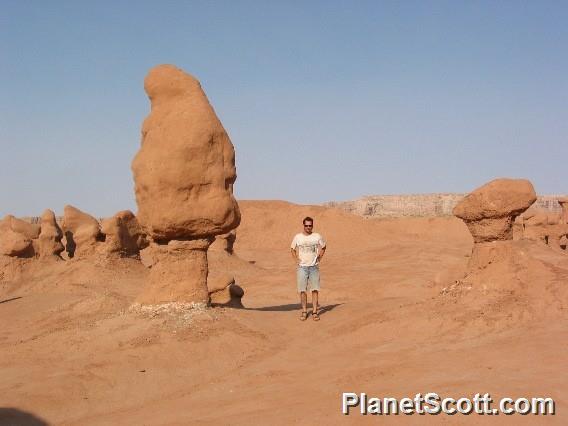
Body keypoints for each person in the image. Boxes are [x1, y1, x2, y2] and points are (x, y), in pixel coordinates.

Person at [290, 216, 326, 321]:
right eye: (306, 225)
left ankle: (314, 312)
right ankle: (304, 311)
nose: (308, 227)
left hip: (314, 267)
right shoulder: (298, 237)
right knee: (302, 290)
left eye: (310, 225)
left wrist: (320, 257)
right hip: (302, 267)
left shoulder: (317, 236)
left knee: (315, 290)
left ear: (312, 226)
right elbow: (292, 248)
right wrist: (296, 259)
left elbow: (323, 247)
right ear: (303, 225)